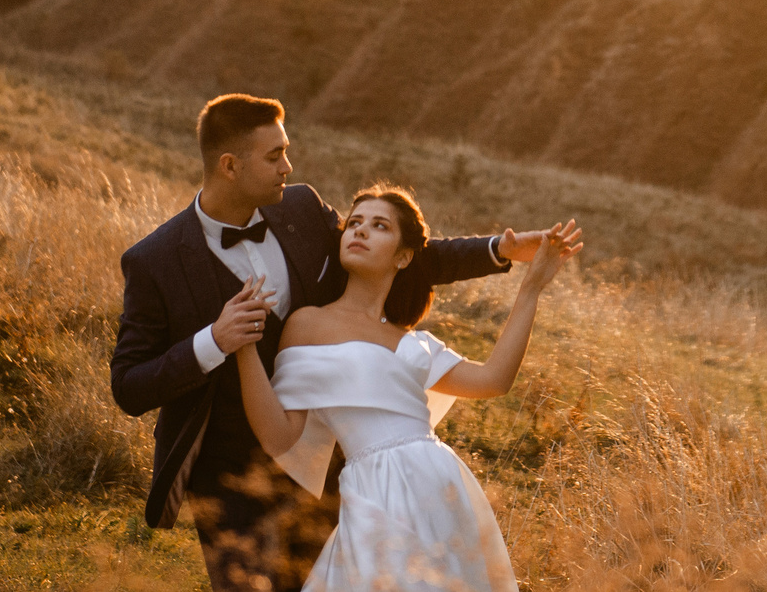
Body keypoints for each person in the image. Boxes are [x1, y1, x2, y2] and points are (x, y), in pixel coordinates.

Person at [110, 94, 576, 591]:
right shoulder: (156, 261)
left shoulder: (303, 211)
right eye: (274, 156)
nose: (288, 166)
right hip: (230, 478)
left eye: (286, 151)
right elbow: (129, 386)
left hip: (331, 466)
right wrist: (214, 341)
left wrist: (499, 250)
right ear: (229, 165)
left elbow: (404, 251)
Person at [233, 184, 581, 592]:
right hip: (374, 489)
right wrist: (243, 349)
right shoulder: (308, 324)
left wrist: (532, 288)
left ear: (404, 256)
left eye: (379, 226)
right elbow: (279, 437)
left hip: (443, 484)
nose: (360, 231)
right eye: (354, 223)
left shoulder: (412, 342)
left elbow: (494, 380)